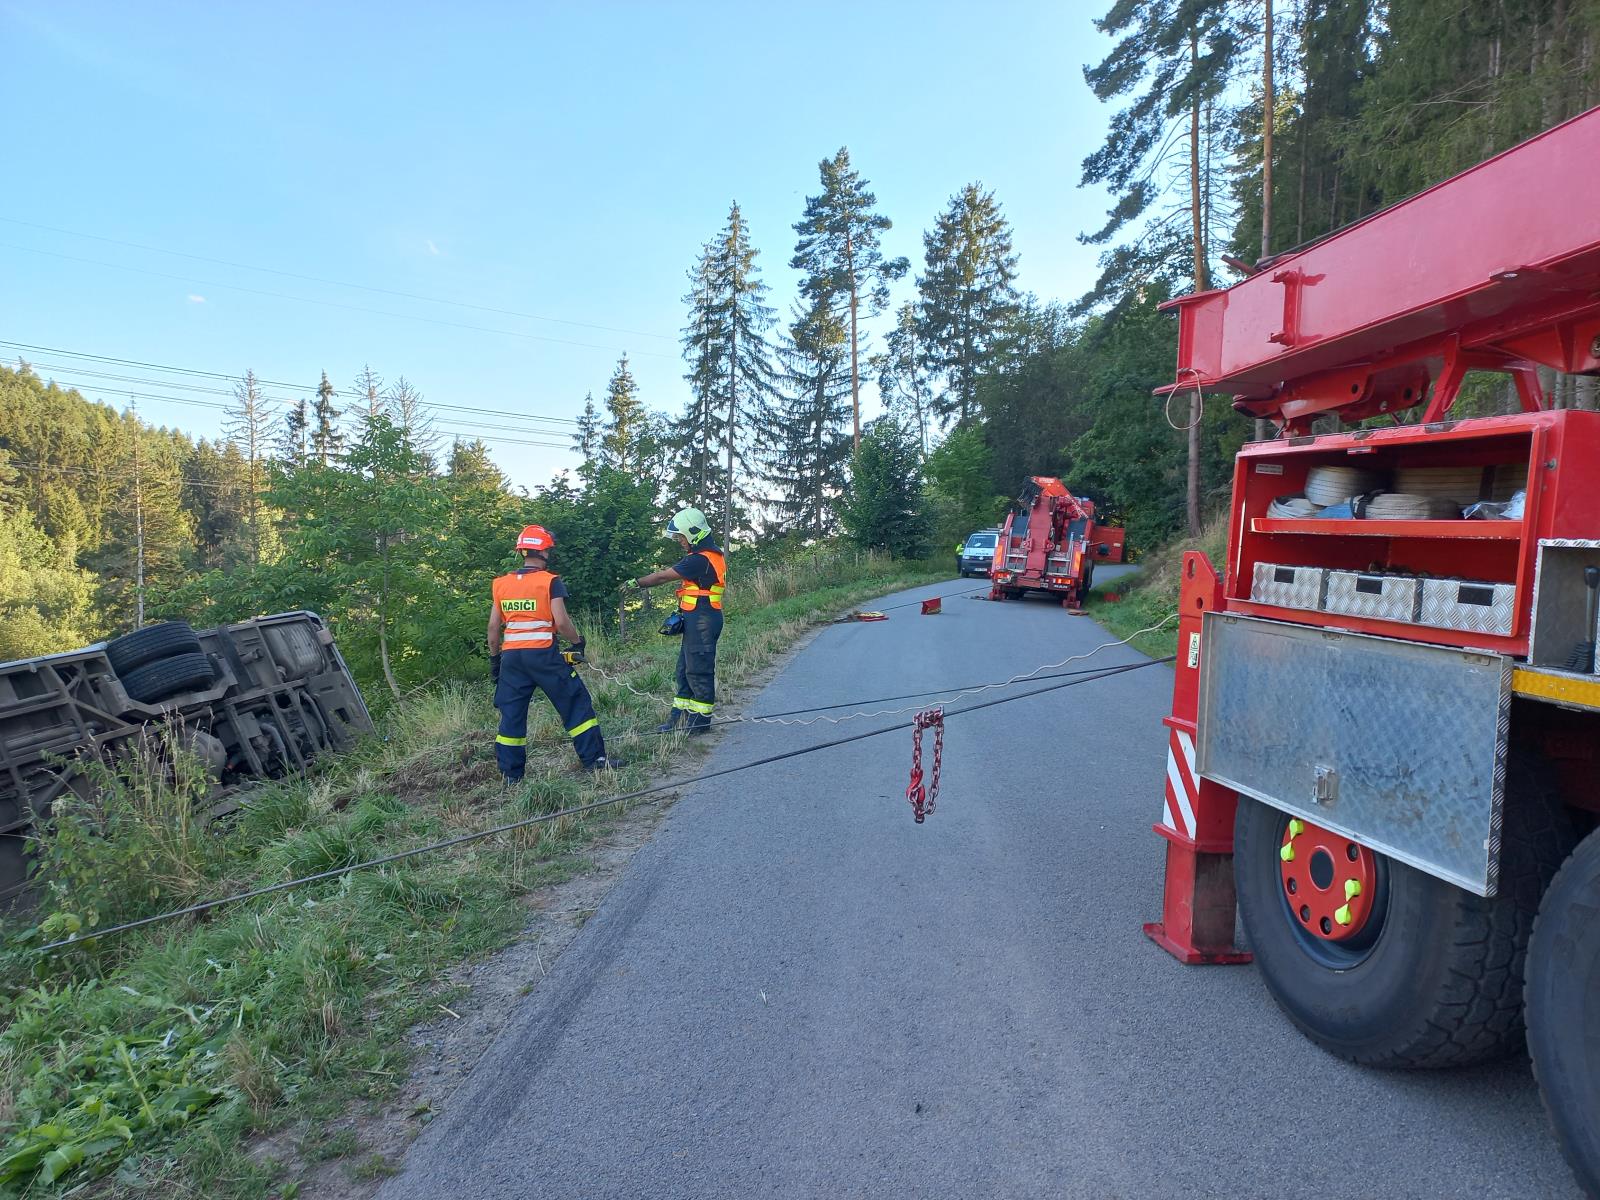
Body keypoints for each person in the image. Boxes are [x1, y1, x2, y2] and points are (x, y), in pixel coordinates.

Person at [488, 524, 618, 779]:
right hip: (543, 656)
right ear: (544, 551)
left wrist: (495, 661)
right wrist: (577, 642)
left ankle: (511, 776)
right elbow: (561, 621)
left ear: (523, 551)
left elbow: (493, 629)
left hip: (512, 659)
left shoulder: (501, 584)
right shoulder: (550, 582)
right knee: (575, 702)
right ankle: (595, 760)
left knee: (511, 717)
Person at [629, 506, 725, 735]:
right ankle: (679, 716)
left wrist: (636, 583)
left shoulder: (701, 560)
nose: (679, 540)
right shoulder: (701, 556)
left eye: (681, 536)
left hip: (703, 618)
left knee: (699, 670)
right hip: (697, 617)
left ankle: (700, 722)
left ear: (693, 533)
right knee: (684, 670)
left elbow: (662, 576)